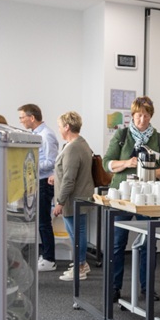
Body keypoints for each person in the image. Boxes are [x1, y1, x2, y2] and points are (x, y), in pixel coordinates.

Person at [103, 96, 160, 301]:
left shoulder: (159, 138)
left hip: (148, 197)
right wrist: (127, 162)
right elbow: (107, 163)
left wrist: (154, 170)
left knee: (148, 243)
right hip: (122, 196)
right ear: (132, 116)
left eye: (146, 115)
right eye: (139, 115)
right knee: (117, 243)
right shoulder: (122, 135)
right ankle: (114, 288)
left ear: (151, 116)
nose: (142, 119)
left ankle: (147, 288)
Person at [50, 111, 94, 279]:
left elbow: (69, 179)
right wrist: (56, 176)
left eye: (60, 127)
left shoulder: (73, 148)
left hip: (73, 198)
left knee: (76, 233)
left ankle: (80, 267)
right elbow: (71, 171)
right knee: (78, 232)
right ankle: (82, 263)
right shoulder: (80, 143)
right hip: (80, 196)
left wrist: (59, 202)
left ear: (67, 127)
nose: (59, 130)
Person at [18, 103, 60, 272]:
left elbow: (51, 162)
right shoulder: (36, 134)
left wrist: (29, 165)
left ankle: (50, 259)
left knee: (43, 222)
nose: (21, 121)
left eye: (22, 117)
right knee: (39, 221)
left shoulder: (46, 135)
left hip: (44, 182)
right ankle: (46, 256)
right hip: (36, 182)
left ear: (32, 117)